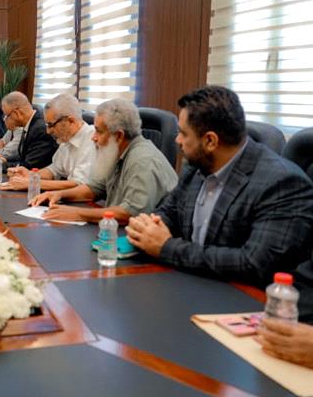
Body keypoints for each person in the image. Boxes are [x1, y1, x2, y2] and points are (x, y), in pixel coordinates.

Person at [125, 86, 313, 286]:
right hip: (189, 282)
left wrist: (167, 248)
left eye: (183, 133)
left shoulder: (283, 184)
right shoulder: (198, 167)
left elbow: (253, 264)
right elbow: (169, 212)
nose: (177, 140)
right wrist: (146, 228)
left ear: (210, 141)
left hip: (242, 297)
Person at [32, 98, 178, 224]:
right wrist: (59, 195)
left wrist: (77, 213)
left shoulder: (143, 160)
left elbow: (131, 213)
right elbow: (94, 189)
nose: (93, 137)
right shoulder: (116, 152)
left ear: (119, 136)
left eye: (99, 131)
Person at [2, 93, 95, 192]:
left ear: (71, 121)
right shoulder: (66, 139)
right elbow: (53, 170)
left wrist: (32, 183)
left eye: (51, 125)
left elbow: (79, 184)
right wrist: (31, 175)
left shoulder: (92, 139)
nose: (48, 131)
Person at [0, 92, 57, 170]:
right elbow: (23, 158)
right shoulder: (30, 123)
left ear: (17, 113)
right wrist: (5, 160)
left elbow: (30, 164)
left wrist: (1, 165)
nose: (5, 119)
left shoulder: (40, 128)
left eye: (7, 116)